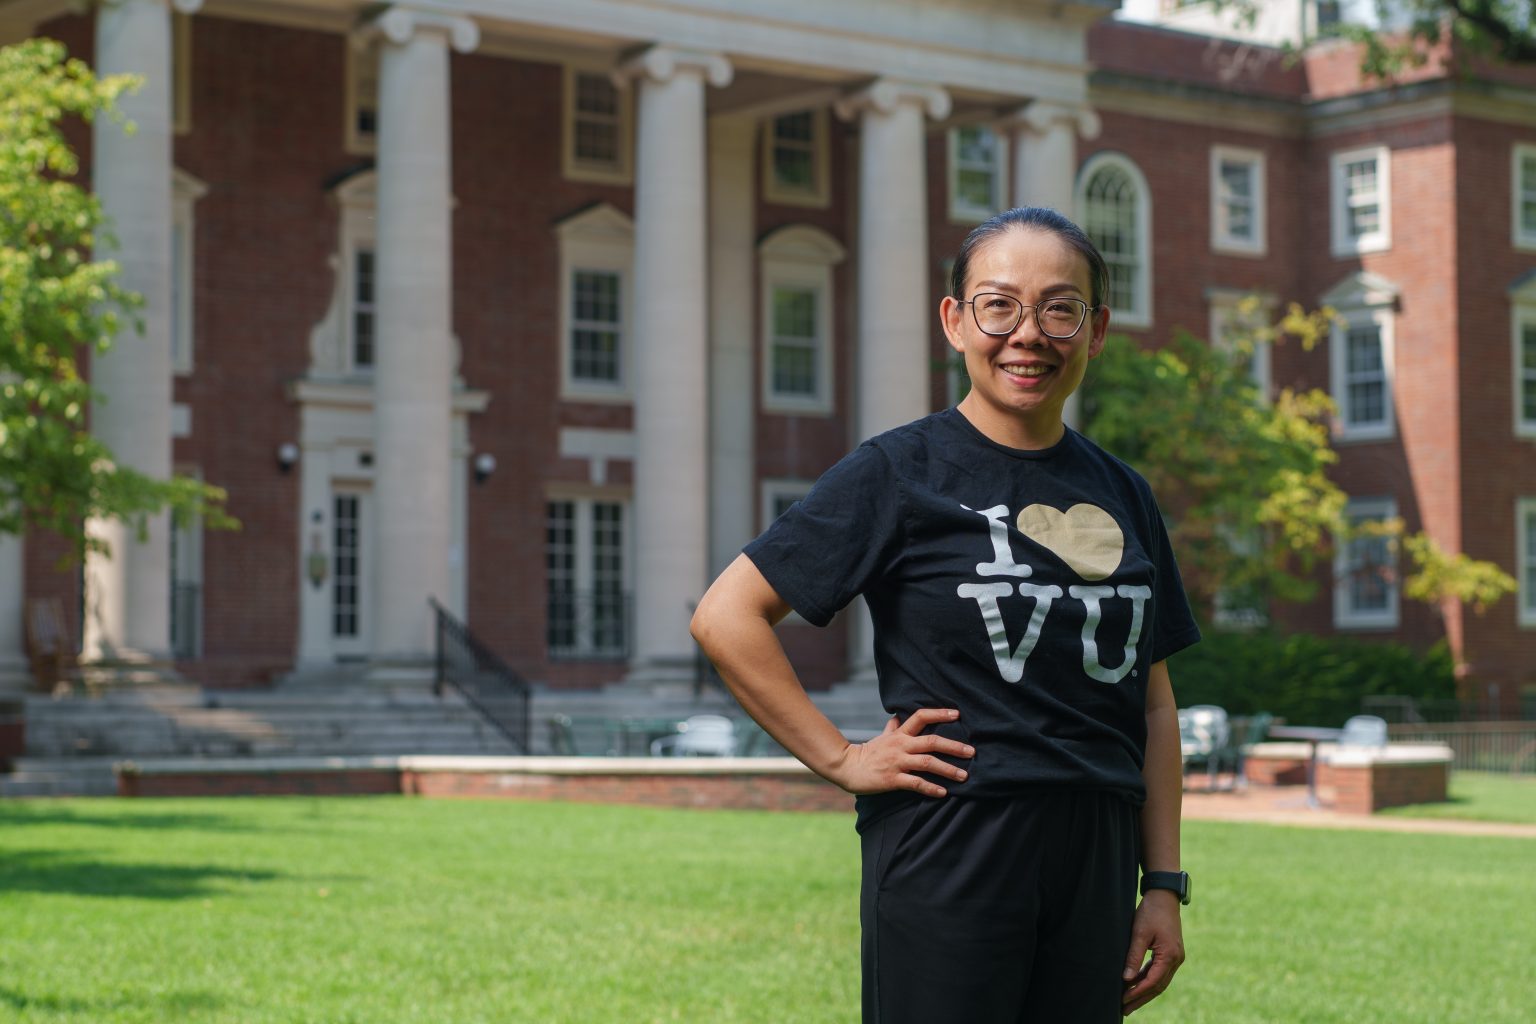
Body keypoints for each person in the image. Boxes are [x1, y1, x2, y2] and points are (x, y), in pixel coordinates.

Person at [690, 206, 1199, 1022]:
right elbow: (727, 614)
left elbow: (1153, 702)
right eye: (999, 305)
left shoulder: (1122, 492)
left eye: (1059, 309)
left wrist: (1163, 884)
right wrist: (842, 759)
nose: (1028, 333)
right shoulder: (897, 473)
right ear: (955, 322)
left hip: (1096, 856)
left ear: (1096, 330)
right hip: (952, 843)